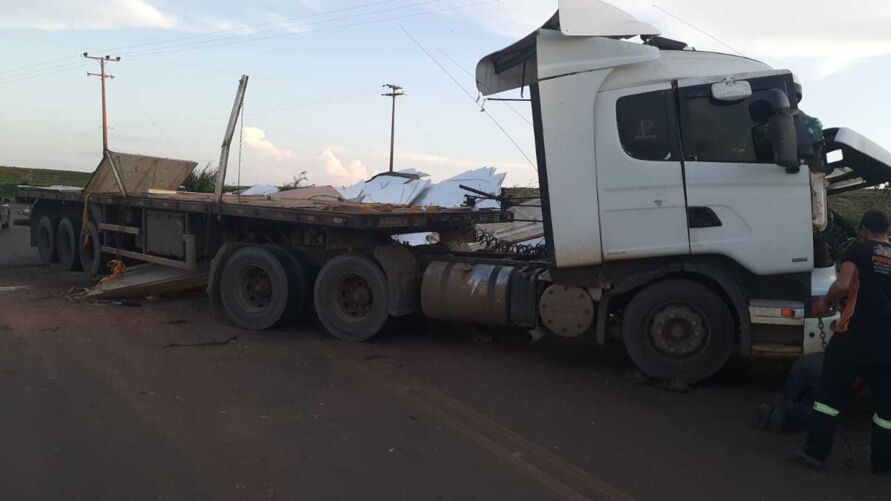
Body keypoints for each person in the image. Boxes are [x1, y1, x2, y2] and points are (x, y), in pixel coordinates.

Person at [798, 210, 891, 476]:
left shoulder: (859, 252)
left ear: (863, 230)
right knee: (886, 411)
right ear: (887, 231)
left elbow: (841, 285)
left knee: (828, 398)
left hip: (854, 337)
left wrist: (823, 304)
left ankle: (814, 455)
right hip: (888, 344)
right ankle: (883, 465)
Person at [755, 353, 824, 433]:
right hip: (822, 373)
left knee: (792, 398)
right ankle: (785, 415)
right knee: (828, 412)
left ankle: (776, 404)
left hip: (806, 362)